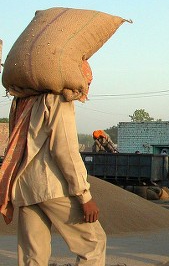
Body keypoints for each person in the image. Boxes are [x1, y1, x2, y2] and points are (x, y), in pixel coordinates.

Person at [0, 60, 106, 265]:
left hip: (25, 188)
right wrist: (85, 196)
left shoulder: (24, 101)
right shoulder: (59, 100)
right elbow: (64, 150)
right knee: (93, 244)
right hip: (52, 186)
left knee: (33, 256)